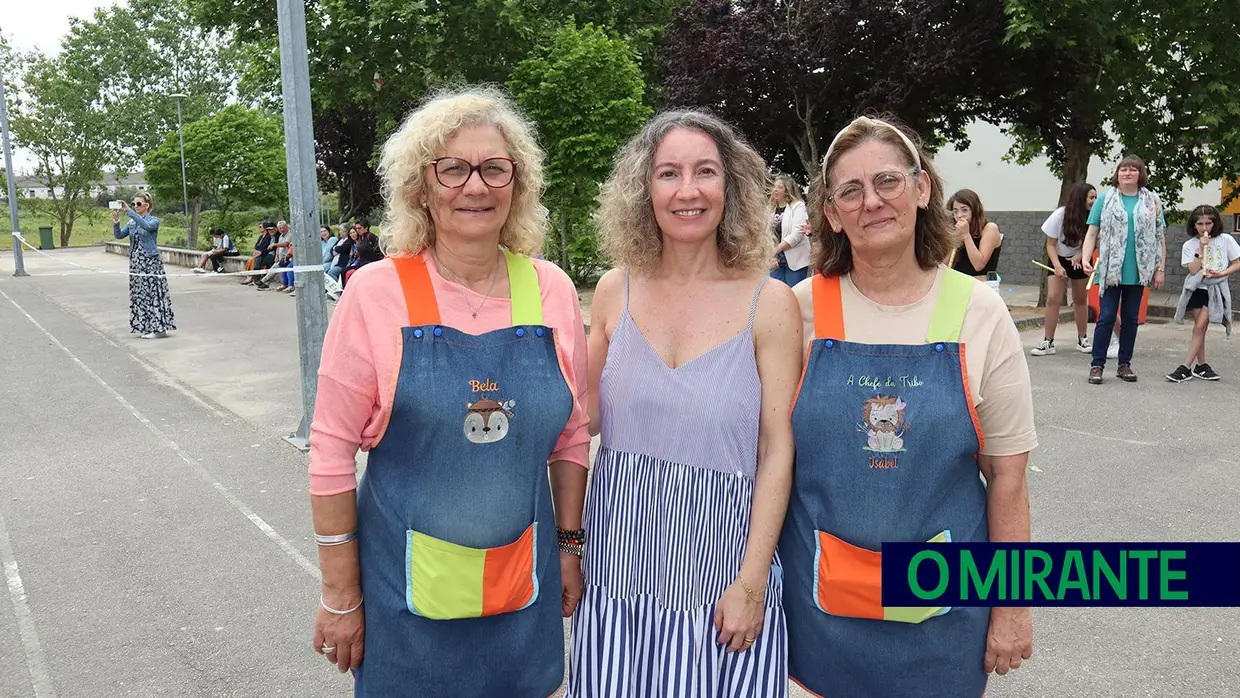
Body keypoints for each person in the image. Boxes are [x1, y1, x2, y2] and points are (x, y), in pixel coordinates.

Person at [306, 85, 590, 697]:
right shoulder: (376, 294)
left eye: (494, 168)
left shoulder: (552, 292)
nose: (476, 186)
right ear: (421, 186)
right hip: (403, 607)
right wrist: (340, 594)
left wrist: (569, 544)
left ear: (517, 184)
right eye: (453, 168)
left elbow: (571, 437)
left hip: (523, 598)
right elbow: (329, 453)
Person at [780, 115, 1036, 697]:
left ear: (923, 190)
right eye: (850, 190)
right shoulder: (798, 312)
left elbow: (1008, 475)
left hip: (943, 626)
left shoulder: (980, 313)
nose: (872, 201)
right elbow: (765, 462)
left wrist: (1013, 608)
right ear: (831, 214)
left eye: (888, 181)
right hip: (818, 613)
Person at [568, 111, 800, 697]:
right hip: (616, 576)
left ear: (734, 187)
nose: (688, 190)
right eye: (668, 173)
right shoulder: (615, 289)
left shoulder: (770, 303)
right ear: (644, 190)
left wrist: (752, 584)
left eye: (706, 172)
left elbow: (777, 450)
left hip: (724, 581)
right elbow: (579, 419)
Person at [1081, 155, 1167, 384]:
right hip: (1110, 269)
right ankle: (1097, 365)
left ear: (1141, 174)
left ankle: (1124, 364)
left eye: (1133, 169)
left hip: (1138, 270)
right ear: (1117, 174)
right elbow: (1092, 232)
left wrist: (1160, 268)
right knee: (1106, 316)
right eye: (1123, 169)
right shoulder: (1104, 199)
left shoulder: (1153, 201)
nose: (1127, 173)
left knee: (1130, 319)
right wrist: (1086, 256)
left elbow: (1160, 237)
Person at [1166, 205, 1240, 382]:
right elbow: (1192, 269)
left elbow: (1237, 262)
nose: (1204, 228)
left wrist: (1223, 273)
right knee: (1199, 329)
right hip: (1197, 287)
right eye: (1200, 223)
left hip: (1216, 288)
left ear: (1215, 223)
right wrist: (1200, 248)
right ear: (1194, 224)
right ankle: (1202, 365)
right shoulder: (1189, 244)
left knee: (1200, 327)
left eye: (1208, 223)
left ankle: (1185, 367)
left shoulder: (1225, 240)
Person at [1031, 183, 1097, 356]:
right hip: (1058, 257)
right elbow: (1050, 244)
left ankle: (1083, 339)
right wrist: (1058, 266)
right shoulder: (1060, 215)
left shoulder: (1094, 216)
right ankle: (1048, 341)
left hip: (1082, 257)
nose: (1094, 201)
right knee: (1053, 298)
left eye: (1095, 197)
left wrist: (1080, 256)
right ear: (1080, 198)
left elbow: (1095, 240)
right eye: (1091, 197)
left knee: (1080, 298)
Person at [112, 192, 176, 339]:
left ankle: (158, 327)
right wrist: (116, 222)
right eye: (134, 204)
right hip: (136, 262)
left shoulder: (154, 220)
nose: (135, 206)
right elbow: (119, 235)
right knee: (140, 294)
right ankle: (147, 326)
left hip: (149, 261)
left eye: (138, 204)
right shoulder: (132, 222)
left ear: (147, 206)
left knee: (152, 293)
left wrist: (129, 211)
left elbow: (146, 226)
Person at [947, 188, 1002, 280]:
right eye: (955, 211)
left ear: (975, 210)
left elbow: (978, 265)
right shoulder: (956, 231)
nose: (959, 215)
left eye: (964, 210)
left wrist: (966, 235)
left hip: (982, 285)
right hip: (958, 284)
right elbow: (946, 264)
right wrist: (953, 238)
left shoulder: (989, 228)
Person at [770, 174, 811, 286]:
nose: (775, 189)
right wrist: (771, 255)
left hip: (795, 260)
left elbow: (797, 234)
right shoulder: (770, 210)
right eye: (774, 186)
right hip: (775, 261)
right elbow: (765, 234)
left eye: (779, 187)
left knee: (794, 295)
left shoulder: (798, 206)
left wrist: (775, 250)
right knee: (777, 295)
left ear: (787, 190)